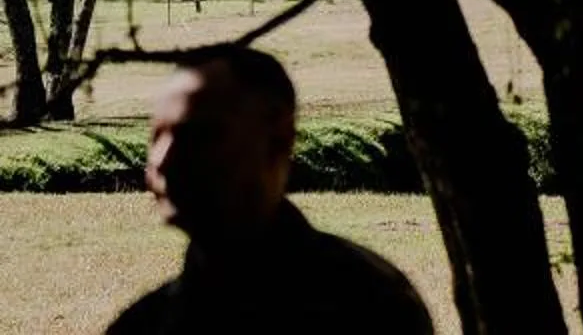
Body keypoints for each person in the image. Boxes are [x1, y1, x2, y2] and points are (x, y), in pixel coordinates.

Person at [106, 45, 434, 334]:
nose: (162, 161)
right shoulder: (143, 324)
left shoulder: (369, 306)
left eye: (198, 135)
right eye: (155, 138)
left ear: (278, 140)